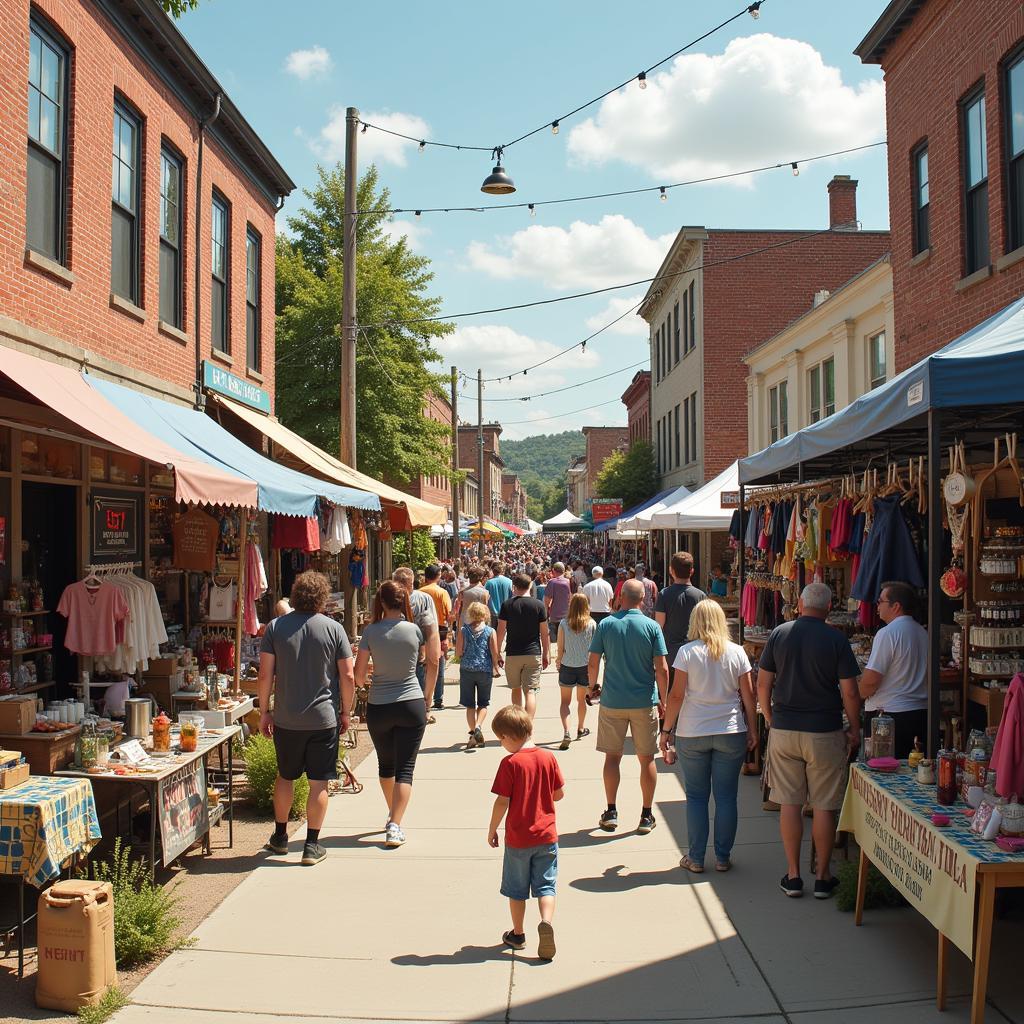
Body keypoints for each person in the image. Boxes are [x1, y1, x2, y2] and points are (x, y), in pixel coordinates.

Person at [757, 582, 861, 900]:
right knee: (824, 806)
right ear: (829, 607)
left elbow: (763, 685)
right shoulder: (836, 639)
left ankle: (793, 874)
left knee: (789, 803)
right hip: (824, 730)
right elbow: (850, 692)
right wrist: (855, 728)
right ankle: (823, 875)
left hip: (785, 728)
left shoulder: (780, 633)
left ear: (800, 604)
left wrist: (772, 720)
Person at [258, 571, 354, 866]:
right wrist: (346, 711)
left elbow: (265, 675)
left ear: (296, 594)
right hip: (323, 719)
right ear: (323, 597)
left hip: (287, 718)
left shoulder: (275, 628)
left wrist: (264, 711)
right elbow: (348, 675)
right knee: (319, 783)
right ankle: (311, 846)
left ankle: (280, 836)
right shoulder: (334, 629)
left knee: (285, 777)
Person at [659, 600, 757, 873]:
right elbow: (748, 696)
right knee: (726, 797)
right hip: (730, 730)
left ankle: (696, 857)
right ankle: (723, 857)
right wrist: (752, 728)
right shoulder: (737, 652)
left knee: (697, 797)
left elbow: (676, 696)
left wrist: (666, 730)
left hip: (693, 732)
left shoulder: (687, 653)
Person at [587, 579, 669, 834]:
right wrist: (663, 700)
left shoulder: (607, 624)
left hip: (613, 700)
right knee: (647, 759)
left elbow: (593, 662)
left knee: (613, 757)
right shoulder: (652, 626)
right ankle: (646, 814)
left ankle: (611, 810)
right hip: (644, 700)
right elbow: (662, 668)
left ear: (619, 596)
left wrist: (593, 687)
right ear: (643, 598)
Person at [354, 581, 428, 848]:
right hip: (411, 702)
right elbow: (422, 660)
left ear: (381, 602)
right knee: (405, 769)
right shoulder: (415, 630)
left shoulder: (370, 632)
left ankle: (394, 815)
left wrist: (374, 675)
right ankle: (395, 822)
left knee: (386, 765)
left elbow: (359, 677)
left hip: (380, 705)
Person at [488, 705, 564, 961]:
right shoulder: (548, 758)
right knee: (546, 886)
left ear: (508, 737)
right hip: (547, 836)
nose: (502, 744)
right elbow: (558, 794)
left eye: (501, 739)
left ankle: (518, 934)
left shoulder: (510, 763)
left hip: (519, 839)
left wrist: (492, 829)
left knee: (516, 889)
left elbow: (502, 801)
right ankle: (546, 921)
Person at [858, 580, 928, 758]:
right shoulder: (922, 632)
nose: (877, 606)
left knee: (882, 773)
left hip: (889, 717)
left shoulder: (888, 633)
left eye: (881, 601)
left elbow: (871, 680)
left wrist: (858, 692)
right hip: (919, 713)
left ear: (896, 606)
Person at [497, 574, 550, 720]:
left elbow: (501, 631)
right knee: (531, 691)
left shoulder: (507, 605)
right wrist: (546, 653)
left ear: (514, 587)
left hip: (513, 653)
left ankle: (519, 722)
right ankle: (529, 725)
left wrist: (497, 652)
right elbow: (544, 633)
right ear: (530, 586)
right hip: (533, 652)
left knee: (515, 689)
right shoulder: (539, 605)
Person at [393, 567, 440, 717]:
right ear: (412, 582)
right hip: (418, 655)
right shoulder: (424, 599)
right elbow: (432, 631)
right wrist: (429, 697)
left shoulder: (387, 600)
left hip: (393, 657)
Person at [655, 552, 707, 674]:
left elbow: (659, 626)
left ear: (671, 570)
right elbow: (705, 627)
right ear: (692, 571)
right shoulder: (701, 596)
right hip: (695, 653)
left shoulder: (664, 594)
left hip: (670, 654)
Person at [458, 601, 500, 750]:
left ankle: (472, 734)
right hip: (484, 669)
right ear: (485, 614)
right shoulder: (490, 631)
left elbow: (458, 652)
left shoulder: (463, 631)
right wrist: (496, 666)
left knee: (469, 704)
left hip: (467, 669)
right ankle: (478, 726)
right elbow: (494, 653)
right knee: (483, 703)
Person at [556, 593, 595, 750]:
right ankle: (580, 727)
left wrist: (559, 660)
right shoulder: (592, 624)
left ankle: (566, 731)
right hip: (585, 667)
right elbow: (595, 649)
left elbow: (560, 646)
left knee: (565, 702)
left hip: (568, 665)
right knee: (581, 700)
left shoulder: (564, 624)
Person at [544, 562, 572, 643]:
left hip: (555, 616)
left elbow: (546, 601)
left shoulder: (552, 582)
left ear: (553, 570)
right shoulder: (569, 581)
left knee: (554, 641)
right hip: (567, 616)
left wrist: (545, 615)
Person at [485, 563, 513, 628]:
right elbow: (511, 596)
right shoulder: (509, 581)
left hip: (492, 613)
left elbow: (486, 597)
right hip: (505, 612)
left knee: (492, 634)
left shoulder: (489, 583)